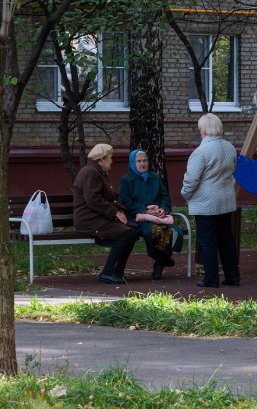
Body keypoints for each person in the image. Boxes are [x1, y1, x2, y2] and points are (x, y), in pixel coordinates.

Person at [181, 113, 240, 288]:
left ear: (204, 130)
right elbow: (233, 169)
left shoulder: (200, 152)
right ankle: (232, 276)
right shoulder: (230, 147)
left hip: (205, 202)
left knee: (207, 241)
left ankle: (211, 278)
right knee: (226, 239)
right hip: (226, 198)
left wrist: (185, 194)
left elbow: (192, 179)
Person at [73, 143, 139, 284]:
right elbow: (93, 200)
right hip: (89, 219)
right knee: (126, 233)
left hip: (98, 217)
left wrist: (119, 210)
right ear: (102, 159)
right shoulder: (90, 172)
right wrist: (114, 213)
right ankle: (108, 273)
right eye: (110, 158)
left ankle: (118, 272)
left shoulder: (97, 172)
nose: (112, 161)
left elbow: (108, 198)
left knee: (133, 231)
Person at [119, 150, 184, 280]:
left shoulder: (155, 177)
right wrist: (144, 210)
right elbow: (125, 202)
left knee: (176, 232)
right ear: (133, 163)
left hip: (159, 217)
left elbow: (165, 198)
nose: (143, 164)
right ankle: (162, 260)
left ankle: (161, 261)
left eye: (145, 160)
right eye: (139, 161)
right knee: (152, 232)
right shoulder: (126, 180)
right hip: (139, 218)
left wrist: (163, 209)